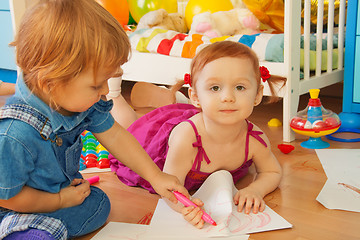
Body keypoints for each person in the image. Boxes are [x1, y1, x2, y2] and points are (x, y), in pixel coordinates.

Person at [0, 0, 188, 239]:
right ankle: (21, 230)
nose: (104, 91)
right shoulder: (14, 133)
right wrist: (57, 200)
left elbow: (116, 135)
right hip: (14, 203)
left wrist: (156, 176)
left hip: (59, 192)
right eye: (97, 84)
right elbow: (7, 196)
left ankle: (36, 228)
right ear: (51, 82)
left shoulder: (76, 101)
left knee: (98, 204)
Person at [109, 41, 285, 229]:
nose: (228, 97)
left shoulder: (255, 138)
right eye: (215, 88)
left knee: (191, 110)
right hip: (158, 144)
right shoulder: (186, 138)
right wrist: (185, 207)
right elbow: (170, 189)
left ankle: (173, 98)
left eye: (240, 87)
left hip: (202, 116)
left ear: (257, 95)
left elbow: (272, 171)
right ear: (196, 96)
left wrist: (255, 189)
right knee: (131, 128)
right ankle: (114, 95)